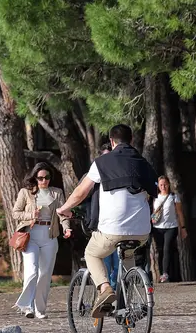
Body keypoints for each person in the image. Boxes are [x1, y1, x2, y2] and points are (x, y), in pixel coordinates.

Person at [58, 124, 158, 317]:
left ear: (112, 141)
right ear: (131, 141)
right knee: (127, 254)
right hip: (142, 231)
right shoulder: (143, 163)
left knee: (92, 254)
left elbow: (80, 192)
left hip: (112, 229)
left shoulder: (102, 162)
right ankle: (130, 300)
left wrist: (64, 209)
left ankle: (105, 289)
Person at [12, 162, 69, 319]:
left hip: (49, 235)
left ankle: (40, 309)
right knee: (32, 271)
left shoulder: (56, 193)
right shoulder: (26, 192)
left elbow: (62, 213)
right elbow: (15, 213)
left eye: (47, 177)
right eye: (40, 178)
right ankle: (26, 306)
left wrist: (66, 227)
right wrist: (31, 215)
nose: (44, 181)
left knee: (45, 274)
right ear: (35, 178)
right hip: (30, 235)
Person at [84, 143, 120, 289]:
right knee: (103, 264)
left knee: (118, 265)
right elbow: (81, 194)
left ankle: (115, 293)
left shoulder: (119, 175)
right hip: (99, 226)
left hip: (117, 225)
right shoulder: (92, 176)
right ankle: (107, 293)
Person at [151, 175, 187, 283]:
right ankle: (161, 272)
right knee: (160, 249)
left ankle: (165, 273)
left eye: (165, 184)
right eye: (161, 184)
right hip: (157, 227)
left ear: (168, 184)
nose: (163, 186)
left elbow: (179, 213)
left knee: (167, 248)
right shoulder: (155, 197)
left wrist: (183, 227)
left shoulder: (174, 197)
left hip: (171, 226)